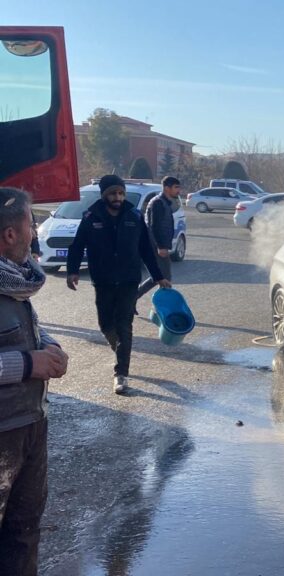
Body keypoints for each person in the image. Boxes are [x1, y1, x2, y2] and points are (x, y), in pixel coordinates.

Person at [0, 187, 68, 576]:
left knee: (24, 531)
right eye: (31, 222)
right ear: (11, 234)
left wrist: (50, 348)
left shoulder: (15, 280)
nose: (35, 230)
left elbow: (26, 330)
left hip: (29, 426)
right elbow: (23, 354)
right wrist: (29, 364)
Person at [66, 175, 170, 395]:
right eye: (113, 193)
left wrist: (159, 276)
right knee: (105, 324)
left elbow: (146, 250)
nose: (118, 197)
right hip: (102, 280)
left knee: (124, 325)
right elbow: (77, 246)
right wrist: (72, 271)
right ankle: (120, 349)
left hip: (129, 280)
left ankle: (121, 373)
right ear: (105, 195)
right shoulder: (91, 216)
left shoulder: (134, 215)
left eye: (121, 193)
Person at [137, 176, 181, 301]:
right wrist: (161, 246)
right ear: (167, 188)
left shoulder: (164, 203)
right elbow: (154, 226)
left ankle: (134, 298)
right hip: (156, 245)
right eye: (176, 187)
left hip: (160, 245)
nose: (179, 190)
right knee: (163, 277)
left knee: (161, 276)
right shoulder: (157, 203)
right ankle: (163, 307)